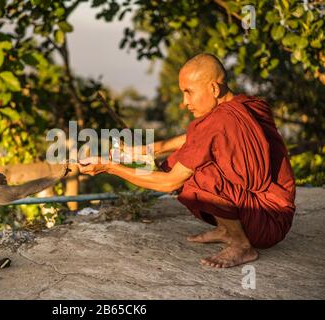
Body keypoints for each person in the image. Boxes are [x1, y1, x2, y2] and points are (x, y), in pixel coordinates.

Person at [77, 53, 296, 268]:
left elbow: (169, 182)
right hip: (276, 213)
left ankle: (241, 244)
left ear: (213, 88)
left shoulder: (219, 121)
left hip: (265, 220)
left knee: (197, 173)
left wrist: (109, 167)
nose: (185, 102)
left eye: (189, 92)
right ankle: (226, 229)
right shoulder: (248, 104)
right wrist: (148, 150)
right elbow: (194, 140)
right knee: (184, 159)